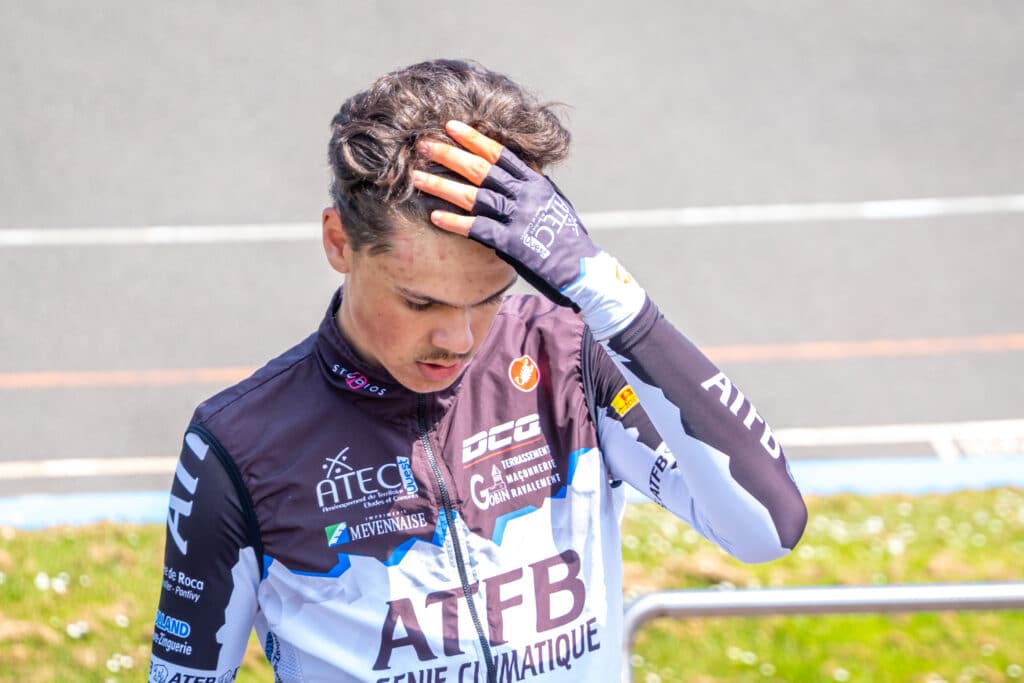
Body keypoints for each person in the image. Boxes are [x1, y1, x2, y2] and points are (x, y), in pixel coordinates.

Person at [148, 59, 807, 683]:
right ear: (339, 242)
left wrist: (609, 295)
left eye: (489, 297)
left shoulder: (569, 356)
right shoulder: (238, 443)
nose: (457, 339)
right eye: (421, 302)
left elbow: (768, 528)